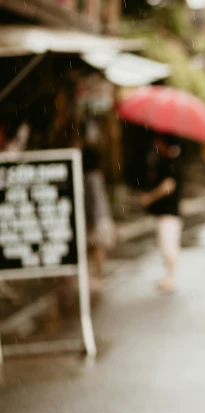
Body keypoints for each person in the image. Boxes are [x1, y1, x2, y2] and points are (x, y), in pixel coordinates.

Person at [139, 135, 183, 294]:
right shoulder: (166, 162)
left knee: (168, 246)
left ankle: (170, 278)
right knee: (167, 245)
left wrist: (149, 198)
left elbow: (168, 186)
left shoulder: (170, 163)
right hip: (168, 213)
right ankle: (169, 277)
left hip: (169, 213)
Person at [82, 121, 115, 289]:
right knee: (95, 249)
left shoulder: (90, 179)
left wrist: (93, 221)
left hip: (96, 219)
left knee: (95, 248)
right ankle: (95, 276)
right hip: (101, 217)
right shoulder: (98, 176)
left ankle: (98, 276)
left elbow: (94, 201)